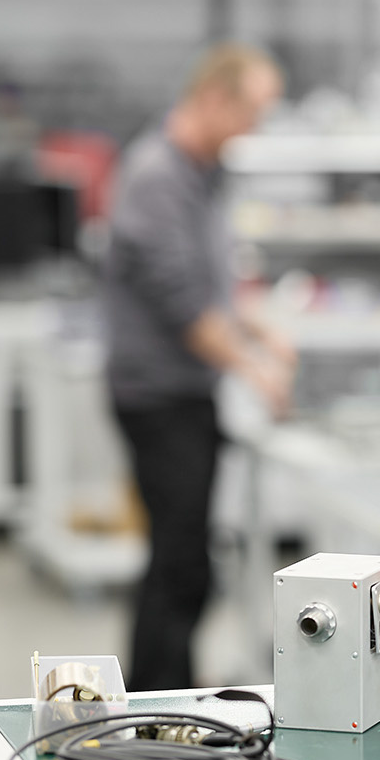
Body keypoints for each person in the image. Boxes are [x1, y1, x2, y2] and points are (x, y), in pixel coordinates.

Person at [104, 44, 293, 691]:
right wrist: (254, 368)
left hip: (185, 394)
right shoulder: (156, 176)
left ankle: (165, 692)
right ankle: (156, 701)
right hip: (157, 400)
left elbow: (214, 288)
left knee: (182, 563)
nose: (254, 129)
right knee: (179, 565)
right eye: (252, 112)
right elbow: (184, 305)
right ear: (215, 99)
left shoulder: (201, 175)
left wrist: (261, 329)